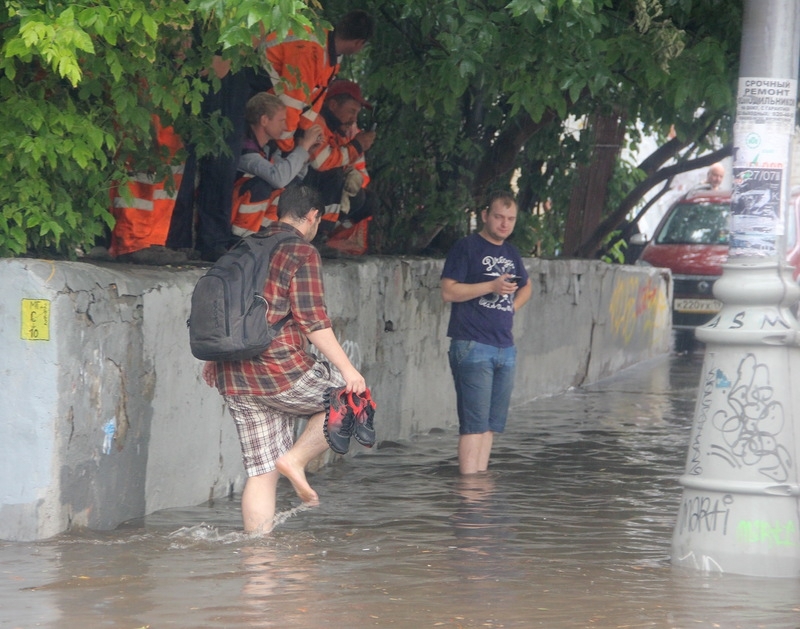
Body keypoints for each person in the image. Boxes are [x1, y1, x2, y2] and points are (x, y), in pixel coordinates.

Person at [204, 185, 367, 533]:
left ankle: (258, 564)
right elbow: (312, 320)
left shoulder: (242, 247)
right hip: (278, 367)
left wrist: (213, 359)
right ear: (313, 217)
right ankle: (294, 460)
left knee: (260, 473)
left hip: (233, 374)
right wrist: (348, 369)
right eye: (317, 222)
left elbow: (222, 309)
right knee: (350, 398)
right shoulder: (301, 251)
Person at [440, 191, 532, 475]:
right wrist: (491, 287)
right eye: (498, 217)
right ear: (485, 216)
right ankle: (469, 496)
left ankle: (479, 492)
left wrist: (510, 308)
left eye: (510, 219)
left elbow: (527, 286)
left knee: (491, 426)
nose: (505, 224)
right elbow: (448, 291)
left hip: (505, 347)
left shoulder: (511, 252)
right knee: (474, 425)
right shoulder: (466, 247)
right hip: (472, 344)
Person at [261, 10, 375, 153]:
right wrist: (289, 148)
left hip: (266, 101)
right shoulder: (312, 50)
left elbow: (313, 101)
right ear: (359, 43)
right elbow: (291, 101)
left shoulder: (329, 51)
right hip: (253, 87)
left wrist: (302, 134)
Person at [230, 93, 323, 237]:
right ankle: (240, 239)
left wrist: (306, 155)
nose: (285, 127)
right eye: (281, 121)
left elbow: (292, 179)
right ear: (264, 120)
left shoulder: (268, 148)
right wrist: (303, 146)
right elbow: (278, 178)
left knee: (288, 187)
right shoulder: (245, 148)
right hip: (231, 214)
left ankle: (266, 236)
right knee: (262, 186)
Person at [305, 79, 377, 234]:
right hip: (301, 183)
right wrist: (356, 146)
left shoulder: (341, 129)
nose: (354, 119)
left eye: (357, 113)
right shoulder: (318, 121)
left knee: (364, 198)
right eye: (351, 111)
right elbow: (320, 162)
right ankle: (319, 232)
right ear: (333, 105)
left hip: (316, 186)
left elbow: (353, 166)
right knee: (334, 176)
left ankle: (328, 233)